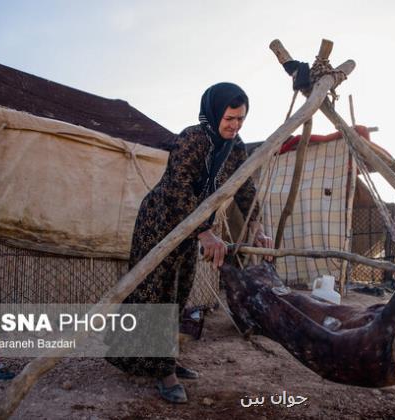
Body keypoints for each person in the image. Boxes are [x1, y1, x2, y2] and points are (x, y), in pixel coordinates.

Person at [106, 82, 272, 403]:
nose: (235, 126)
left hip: (193, 226)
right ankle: (162, 371)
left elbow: (244, 185)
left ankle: (163, 361)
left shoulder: (235, 148)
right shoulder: (191, 139)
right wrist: (205, 232)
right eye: (229, 119)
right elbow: (178, 189)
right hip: (161, 223)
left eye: (240, 120)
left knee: (180, 291)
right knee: (156, 292)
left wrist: (256, 224)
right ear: (214, 113)